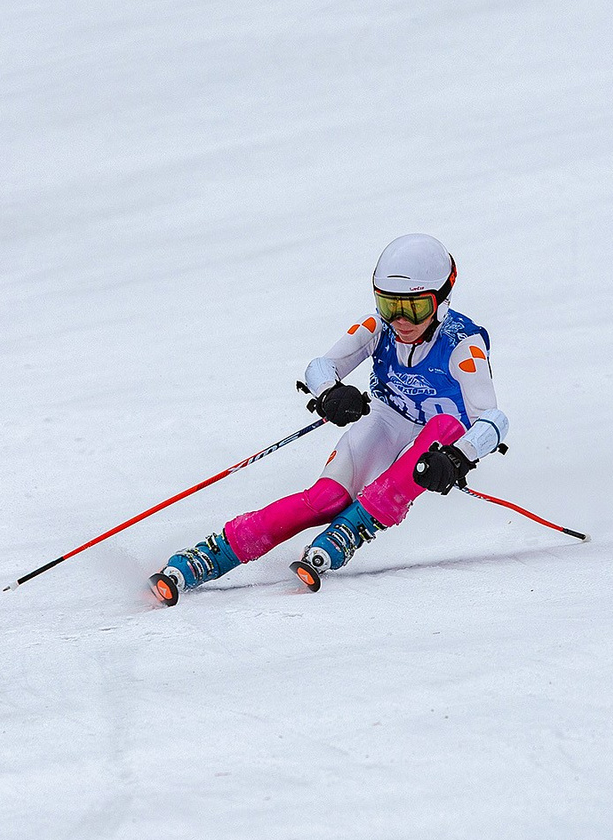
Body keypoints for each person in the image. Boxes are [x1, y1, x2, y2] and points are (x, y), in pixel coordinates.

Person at [151, 234, 509, 601]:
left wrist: (459, 456)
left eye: (415, 308)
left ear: (442, 298)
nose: (401, 320)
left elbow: (493, 419)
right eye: (389, 305)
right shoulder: (379, 327)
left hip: (441, 436)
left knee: (442, 430)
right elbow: (321, 366)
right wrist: (330, 392)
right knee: (326, 498)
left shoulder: (462, 343)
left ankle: (354, 527)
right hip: (388, 417)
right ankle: (212, 555)